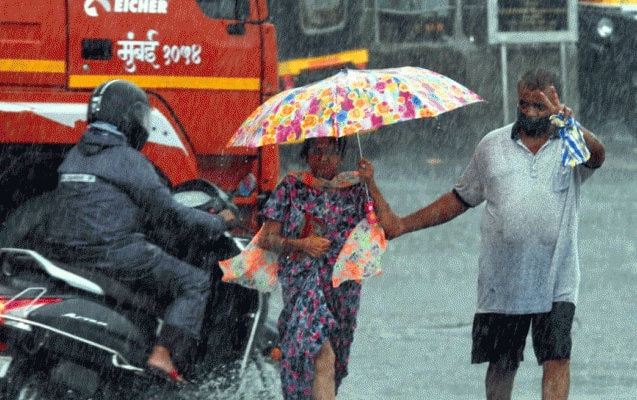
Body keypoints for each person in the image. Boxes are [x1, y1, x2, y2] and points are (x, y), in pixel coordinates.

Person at [383, 68, 605, 400]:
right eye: (524, 104)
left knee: (557, 358)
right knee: (502, 362)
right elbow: (460, 198)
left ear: (554, 104)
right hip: (503, 280)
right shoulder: (492, 145)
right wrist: (403, 224)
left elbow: (598, 157)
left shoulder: (570, 144)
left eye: (539, 106)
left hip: (556, 279)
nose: (529, 112)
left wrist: (565, 120)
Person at [41, 79, 236, 383]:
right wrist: (218, 222)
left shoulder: (75, 155)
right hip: (114, 254)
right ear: (132, 116)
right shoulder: (129, 160)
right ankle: (162, 355)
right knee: (194, 282)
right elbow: (169, 212)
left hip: (68, 252)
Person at [257, 137, 395, 400]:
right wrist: (301, 244)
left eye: (331, 152)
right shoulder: (291, 187)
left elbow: (390, 226)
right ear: (306, 156)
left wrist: (370, 182)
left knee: (337, 363)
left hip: (342, 285)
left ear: (341, 157)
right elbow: (266, 239)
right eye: (317, 151)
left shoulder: (355, 188)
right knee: (320, 353)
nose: (324, 158)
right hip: (303, 281)